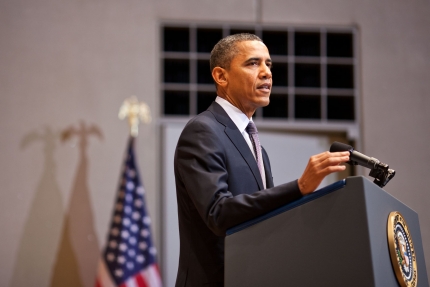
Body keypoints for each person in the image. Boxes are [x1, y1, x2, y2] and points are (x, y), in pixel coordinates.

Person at [174, 33, 350, 287]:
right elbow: (218, 213)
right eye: (253, 63)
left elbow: (266, 219)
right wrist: (299, 187)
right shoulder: (203, 130)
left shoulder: (257, 147)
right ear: (221, 76)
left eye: (269, 64)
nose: (266, 72)